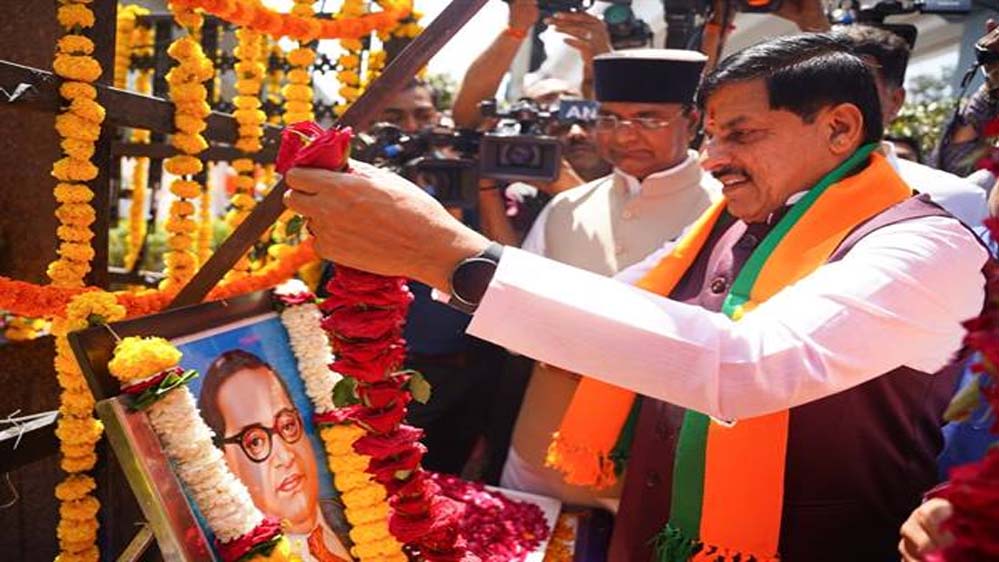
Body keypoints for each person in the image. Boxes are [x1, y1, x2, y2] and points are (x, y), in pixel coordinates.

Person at [285, 33, 987, 561]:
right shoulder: (726, 223)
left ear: (839, 128)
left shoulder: (925, 245)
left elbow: (747, 367)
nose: (713, 158)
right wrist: (428, 256)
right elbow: (604, 309)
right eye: (711, 136)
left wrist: (448, 255)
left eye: (741, 134)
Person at [501, 49, 719, 510]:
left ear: (693, 119)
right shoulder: (567, 208)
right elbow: (514, 323)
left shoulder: (727, 210)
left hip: (655, 467)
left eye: (647, 119)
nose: (623, 135)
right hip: (539, 450)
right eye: (609, 118)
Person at [199, 350, 351, 562]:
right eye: (255, 441)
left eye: (287, 425)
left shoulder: (359, 510)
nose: (285, 457)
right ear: (225, 463)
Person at [831, 25, 988, 227]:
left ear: (895, 101)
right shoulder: (789, 193)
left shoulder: (956, 201)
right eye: (820, 89)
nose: (835, 106)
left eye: (856, 89)